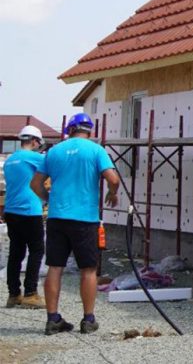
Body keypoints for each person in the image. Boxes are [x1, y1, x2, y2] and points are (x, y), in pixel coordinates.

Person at [28, 114, 119, 335]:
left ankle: (53, 319)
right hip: (84, 219)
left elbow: (35, 184)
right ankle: (88, 320)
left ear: (69, 129)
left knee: (55, 267)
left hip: (58, 218)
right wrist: (112, 193)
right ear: (90, 131)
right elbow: (113, 179)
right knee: (88, 269)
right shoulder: (96, 150)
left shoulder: (54, 151)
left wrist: (49, 199)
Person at [4, 125, 47, 309]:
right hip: (29, 210)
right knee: (36, 251)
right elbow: (53, 167)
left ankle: (14, 294)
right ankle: (31, 293)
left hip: (11, 210)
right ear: (35, 141)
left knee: (16, 253)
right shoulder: (34, 157)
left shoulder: (10, 159)